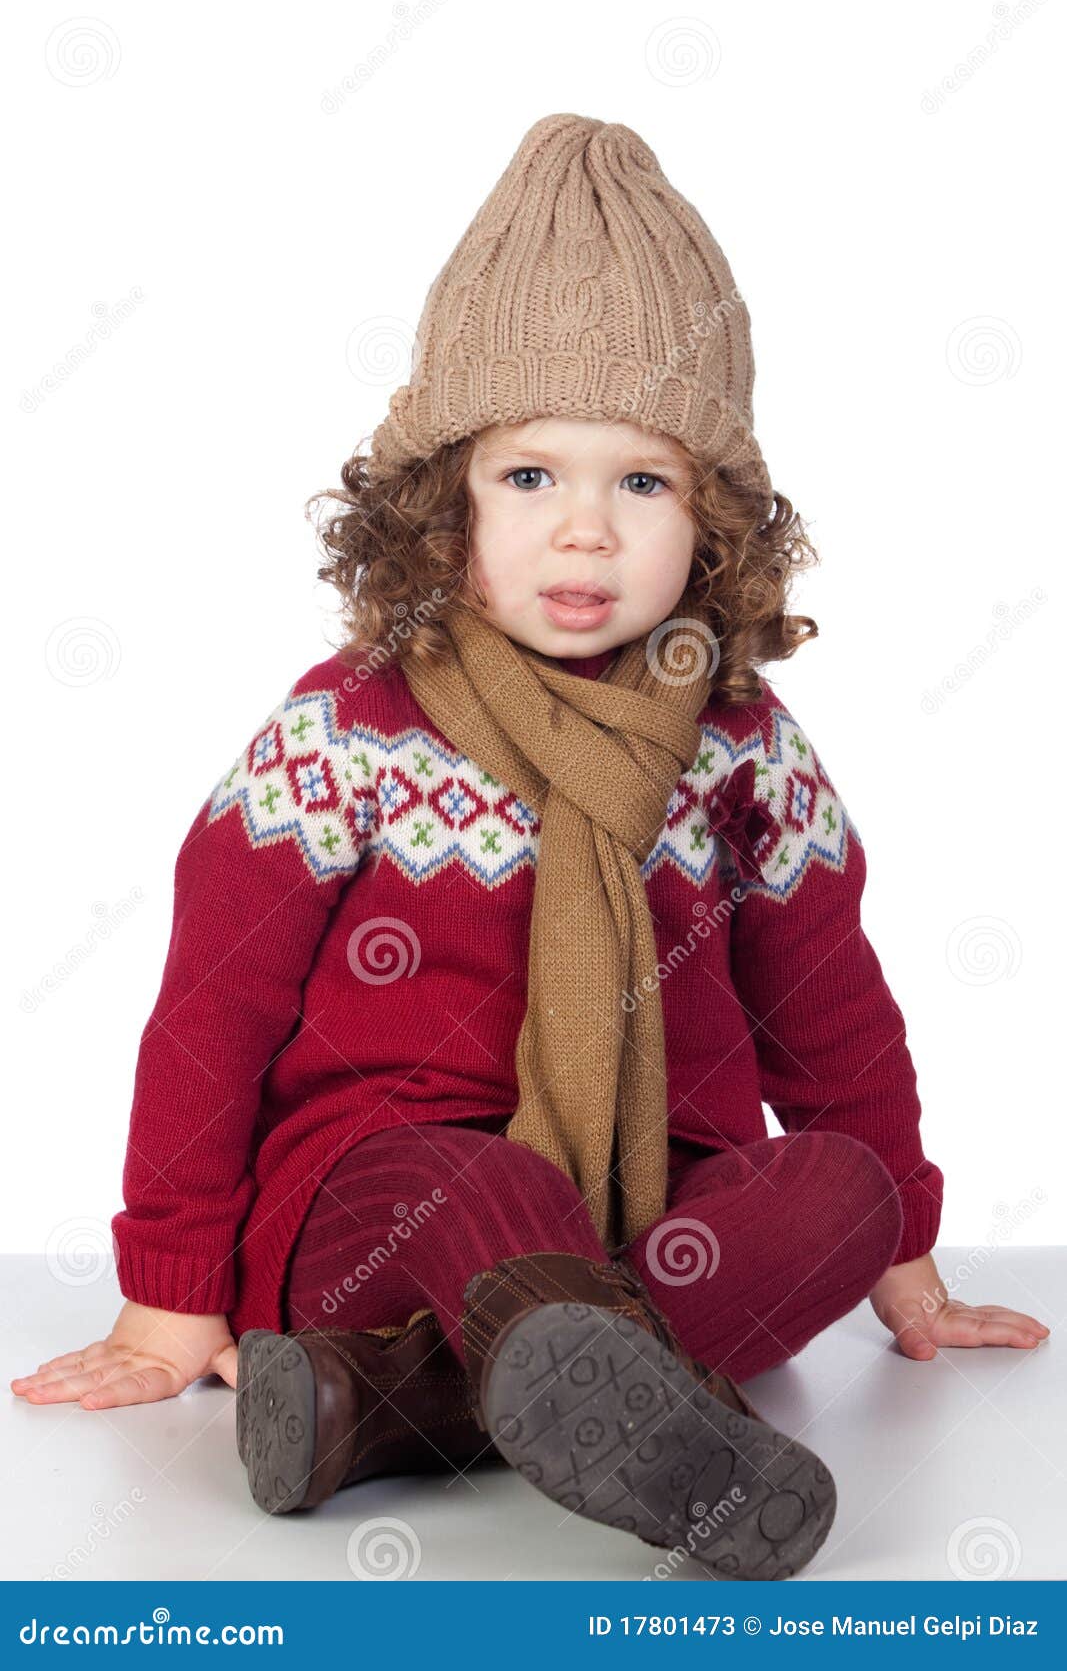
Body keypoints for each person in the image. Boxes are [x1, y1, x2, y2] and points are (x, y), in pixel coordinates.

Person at [11, 114, 1048, 1581]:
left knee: (833, 1187)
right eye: (529, 478)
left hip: (653, 1194)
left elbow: (830, 1006)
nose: (584, 535)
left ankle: (386, 1405)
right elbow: (211, 1010)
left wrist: (905, 1260)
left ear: (718, 517)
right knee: (483, 1189)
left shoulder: (742, 742)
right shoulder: (352, 727)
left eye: (643, 483)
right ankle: (598, 1401)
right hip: (379, 1190)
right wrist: (170, 1291)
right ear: (441, 498)